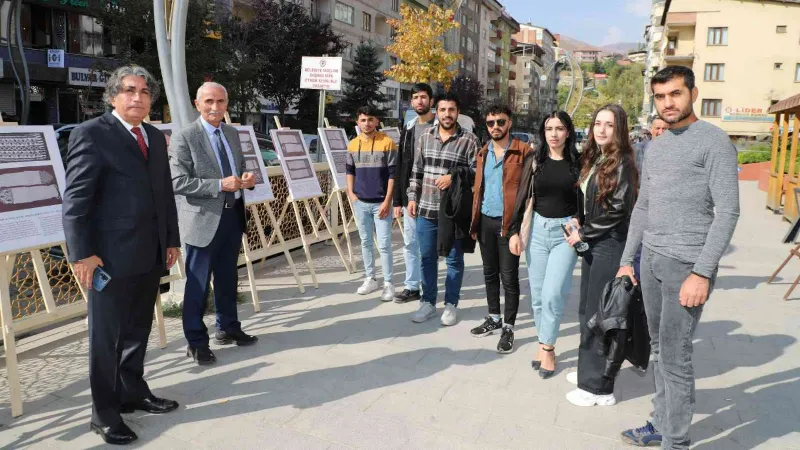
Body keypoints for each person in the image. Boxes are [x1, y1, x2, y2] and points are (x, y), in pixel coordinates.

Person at [618, 66, 740, 449]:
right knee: (658, 350)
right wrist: (627, 259)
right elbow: (642, 208)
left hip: (687, 266)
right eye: (660, 96)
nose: (667, 103)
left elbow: (729, 212)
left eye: (675, 94)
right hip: (651, 260)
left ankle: (677, 441)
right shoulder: (657, 145)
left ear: (693, 93)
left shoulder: (715, 143)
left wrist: (701, 273)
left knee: (675, 355)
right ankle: (660, 422)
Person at [62, 65, 181, 445]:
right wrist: (83, 255)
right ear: (112, 96)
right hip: (108, 260)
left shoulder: (154, 135)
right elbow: (76, 201)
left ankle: (132, 391)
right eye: (129, 90)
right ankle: (104, 414)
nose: (138, 98)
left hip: (150, 254)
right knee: (106, 339)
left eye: (145, 92)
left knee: (137, 331)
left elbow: (164, 194)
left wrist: (172, 240)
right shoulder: (92, 134)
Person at [169, 82, 259, 367]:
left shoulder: (231, 133)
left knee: (228, 278)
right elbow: (177, 182)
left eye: (221, 101)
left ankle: (228, 327)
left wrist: (247, 179)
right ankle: (196, 342)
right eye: (209, 101)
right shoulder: (185, 137)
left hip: (232, 217)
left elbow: (239, 167)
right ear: (197, 104)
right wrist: (219, 184)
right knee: (197, 286)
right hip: (202, 222)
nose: (215, 107)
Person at [563, 104, 637, 407]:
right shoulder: (598, 159)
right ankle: (588, 370)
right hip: (595, 244)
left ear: (619, 129)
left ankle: (598, 387)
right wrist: (579, 220)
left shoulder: (623, 163)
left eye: (609, 124)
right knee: (586, 311)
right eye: (597, 123)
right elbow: (594, 202)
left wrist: (586, 232)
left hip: (608, 246)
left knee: (600, 315)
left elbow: (619, 210)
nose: (601, 129)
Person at [507, 111, 581, 377]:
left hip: (565, 234)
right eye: (549, 128)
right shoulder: (535, 160)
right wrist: (514, 231)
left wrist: (580, 224)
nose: (554, 133)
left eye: (559, 128)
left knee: (552, 294)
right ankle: (543, 342)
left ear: (568, 132)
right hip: (537, 230)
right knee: (538, 296)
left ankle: (548, 349)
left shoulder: (579, 163)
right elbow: (522, 196)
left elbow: (586, 200)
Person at [407, 91, 479, 326]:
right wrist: (411, 198)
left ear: (458, 112)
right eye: (442, 110)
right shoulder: (425, 137)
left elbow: (477, 172)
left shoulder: (469, 140)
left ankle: (451, 305)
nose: (447, 114)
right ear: (436, 112)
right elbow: (416, 171)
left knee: (454, 260)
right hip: (426, 209)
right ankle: (428, 303)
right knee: (426, 258)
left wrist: (453, 175)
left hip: (453, 213)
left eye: (451, 110)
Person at [468, 104, 532, 354]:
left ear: (510, 123)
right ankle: (493, 317)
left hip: (509, 225)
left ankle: (508, 327)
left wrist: (516, 228)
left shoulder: (523, 152)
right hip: (485, 220)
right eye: (491, 123)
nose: (495, 127)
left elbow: (526, 193)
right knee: (489, 273)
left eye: (501, 122)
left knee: (509, 277)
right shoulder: (482, 152)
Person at [347, 105, 397, 301]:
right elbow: (350, 171)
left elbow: (393, 175)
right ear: (357, 122)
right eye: (363, 120)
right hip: (360, 202)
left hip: (381, 203)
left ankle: (388, 283)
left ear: (377, 121)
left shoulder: (387, 142)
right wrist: (351, 193)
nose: (367, 123)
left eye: (370, 119)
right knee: (366, 242)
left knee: (384, 245)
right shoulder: (352, 144)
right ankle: (370, 278)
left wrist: (387, 201)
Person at [393, 83, 436, 303]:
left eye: (424, 97)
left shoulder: (441, 126)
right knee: (410, 242)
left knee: (431, 246)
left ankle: (430, 287)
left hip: (435, 195)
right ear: (411, 102)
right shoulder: (408, 128)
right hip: (412, 196)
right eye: (416, 97)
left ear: (431, 101)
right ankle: (412, 286)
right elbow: (401, 165)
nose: (420, 101)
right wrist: (398, 200)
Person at [631, 116, 668, 278]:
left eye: (664, 129)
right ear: (651, 129)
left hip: (664, 212)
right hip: (640, 207)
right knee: (638, 249)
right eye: (657, 128)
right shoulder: (636, 150)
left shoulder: (676, 153)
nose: (660, 132)